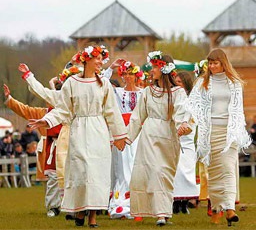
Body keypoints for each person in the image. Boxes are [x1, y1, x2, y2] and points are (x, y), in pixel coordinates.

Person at [28, 44, 128, 228]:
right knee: (81, 170)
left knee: (96, 172)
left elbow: (112, 111)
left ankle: (92, 216)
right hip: (79, 129)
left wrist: (119, 135)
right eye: (97, 58)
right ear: (86, 60)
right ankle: (79, 210)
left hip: (98, 130)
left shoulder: (104, 83)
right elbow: (64, 110)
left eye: (101, 59)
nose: (100, 62)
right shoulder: (72, 83)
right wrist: (46, 120)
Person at [184, 48, 252, 226]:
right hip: (210, 132)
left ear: (223, 63)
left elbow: (239, 109)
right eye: (211, 63)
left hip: (229, 132)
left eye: (216, 63)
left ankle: (230, 209)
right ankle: (215, 208)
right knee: (213, 173)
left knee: (228, 169)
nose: (213, 66)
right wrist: (186, 123)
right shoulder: (202, 83)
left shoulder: (234, 83)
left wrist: (238, 129)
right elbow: (191, 105)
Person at [126, 51, 189, 226]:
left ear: (164, 69)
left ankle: (164, 213)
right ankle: (160, 214)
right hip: (149, 136)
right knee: (153, 172)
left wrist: (182, 125)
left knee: (164, 173)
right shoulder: (147, 92)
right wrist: (125, 138)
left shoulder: (177, 93)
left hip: (168, 137)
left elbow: (181, 112)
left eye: (155, 67)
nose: (151, 70)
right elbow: (137, 117)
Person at [108, 60, 144, 219]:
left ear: (137, 75)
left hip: (138, 133)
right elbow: (101, 82)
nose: (128, 77)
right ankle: (121, 204)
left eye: (131, 73)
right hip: (121, 132)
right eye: (125, 73)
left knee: (137, 167)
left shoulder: (144, 93)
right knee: (122, 168)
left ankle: (138, 204)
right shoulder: (116, 92)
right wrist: (111, 68)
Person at [173, 71, 199, 214]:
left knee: (186, 171)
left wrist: (186, 128)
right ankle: (175, 202)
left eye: (180, 82)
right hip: (174, 135)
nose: (177, 85)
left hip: (187, 137)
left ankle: (185, 202)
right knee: (175, 171)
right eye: (175, 82)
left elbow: (193, 118)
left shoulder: (192, 99)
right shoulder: (173, 98)